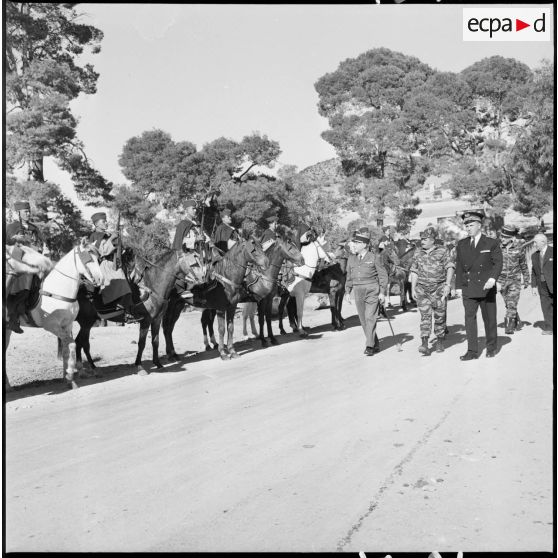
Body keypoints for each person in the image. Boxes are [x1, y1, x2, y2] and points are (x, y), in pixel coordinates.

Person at [455, 210, 503, 360]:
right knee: (469, 319)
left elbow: (498, 263)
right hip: (469, 287)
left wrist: (493, 279)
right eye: (466, 225)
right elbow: (459, 267)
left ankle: (491, 347)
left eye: (471, 224)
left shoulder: (491, 243)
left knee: (489, 319)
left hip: (486, 287)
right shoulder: (461, 244)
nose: (468, 227)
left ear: (479, 225)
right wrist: (457, 287)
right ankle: (472, 351)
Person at [5, 200, 50, 333]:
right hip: (17, 261)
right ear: (18, 213)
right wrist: (14, 239)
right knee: (25, 285)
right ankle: (13, 317)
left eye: (29, 211)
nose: (28, 213)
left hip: (35, 259)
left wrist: (45, 250)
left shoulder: (34, 228)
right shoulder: (10, 227)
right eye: (25, 211)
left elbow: (42, 244)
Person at [409, 226, 455, 355]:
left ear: (433, 240)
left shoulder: (442, 251)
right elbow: (414, 271)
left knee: (439, 316)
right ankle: (424, 343)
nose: (422, 241)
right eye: (421, 239)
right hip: (422, 289)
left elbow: (450, 267)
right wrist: (413, 288)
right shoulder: (418, 252)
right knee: (425, 316)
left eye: (425, 239)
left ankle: (440, 340)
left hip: (439, 289)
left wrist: (447, 285)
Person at [88, 212, 141, 321]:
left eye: (106, 221)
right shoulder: (94, 236)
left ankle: (130, 311)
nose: (106, 223)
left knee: (131, 282)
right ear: (96, 224)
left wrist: (122, 245)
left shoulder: (108, 235)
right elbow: (102, 251)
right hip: (104, 266)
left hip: (115, 264)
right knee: (122, 285)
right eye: (103, 221)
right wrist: (112, 238)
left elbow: (117, 249)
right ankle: (122, 311)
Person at [345, 229, 388, 356]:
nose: (355, 245)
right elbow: (349, 276)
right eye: (354, 242)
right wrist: (347, 292)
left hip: (371, 290)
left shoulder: (374, 257)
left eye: (357, 243)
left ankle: (369, 346)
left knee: (370, 317)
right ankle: (374, 342)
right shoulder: (351, 259)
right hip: (358, 291)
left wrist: (382, 292)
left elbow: (383, 276)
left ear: (364, 245)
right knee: (363, 320)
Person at [287, 222, 332, 337]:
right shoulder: (296, 242)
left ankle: (297, 324)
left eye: (309, 233)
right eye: (306, 234)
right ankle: (299, 326)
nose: (308, 236)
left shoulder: (307, 244)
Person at [171, 199, 209, 299]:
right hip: (187, 254)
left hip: (200, 255)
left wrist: (205, 239)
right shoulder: (183, 224)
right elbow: (182, 242)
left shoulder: (196, 225)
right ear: (187, 210)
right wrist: (196, 239)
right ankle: (184, 289)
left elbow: (206, 239)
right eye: (193, 209)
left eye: (196, 209)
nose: (195, 210)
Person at [498, 224, 529, 334]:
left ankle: (509, 326)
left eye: (505, 237)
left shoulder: (518, 248)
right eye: (501, 236)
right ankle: (515, 318)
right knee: (508, 302)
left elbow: (523, 264)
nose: (502, 239)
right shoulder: (497, 248)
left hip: (515, 280)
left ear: (511, 238)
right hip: (500, 281)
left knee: (512, 302)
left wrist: (526, 279)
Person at [530, 233, 553, 335]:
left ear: (543, 242)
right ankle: (549, 328)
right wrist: (533, 286)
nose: (534, 244)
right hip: (542, 285)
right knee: (545, 306)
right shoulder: (534, 256)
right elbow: (534, 272)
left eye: (535, 242)